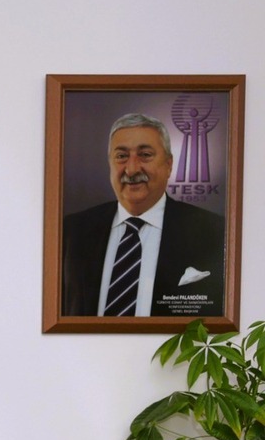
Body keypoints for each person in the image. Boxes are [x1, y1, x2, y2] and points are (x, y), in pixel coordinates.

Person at [60, 113, 226, 318]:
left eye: (145, 155)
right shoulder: (72, 231)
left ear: (168, 164)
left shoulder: (214, 232)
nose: (131, 169)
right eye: (121, 156)